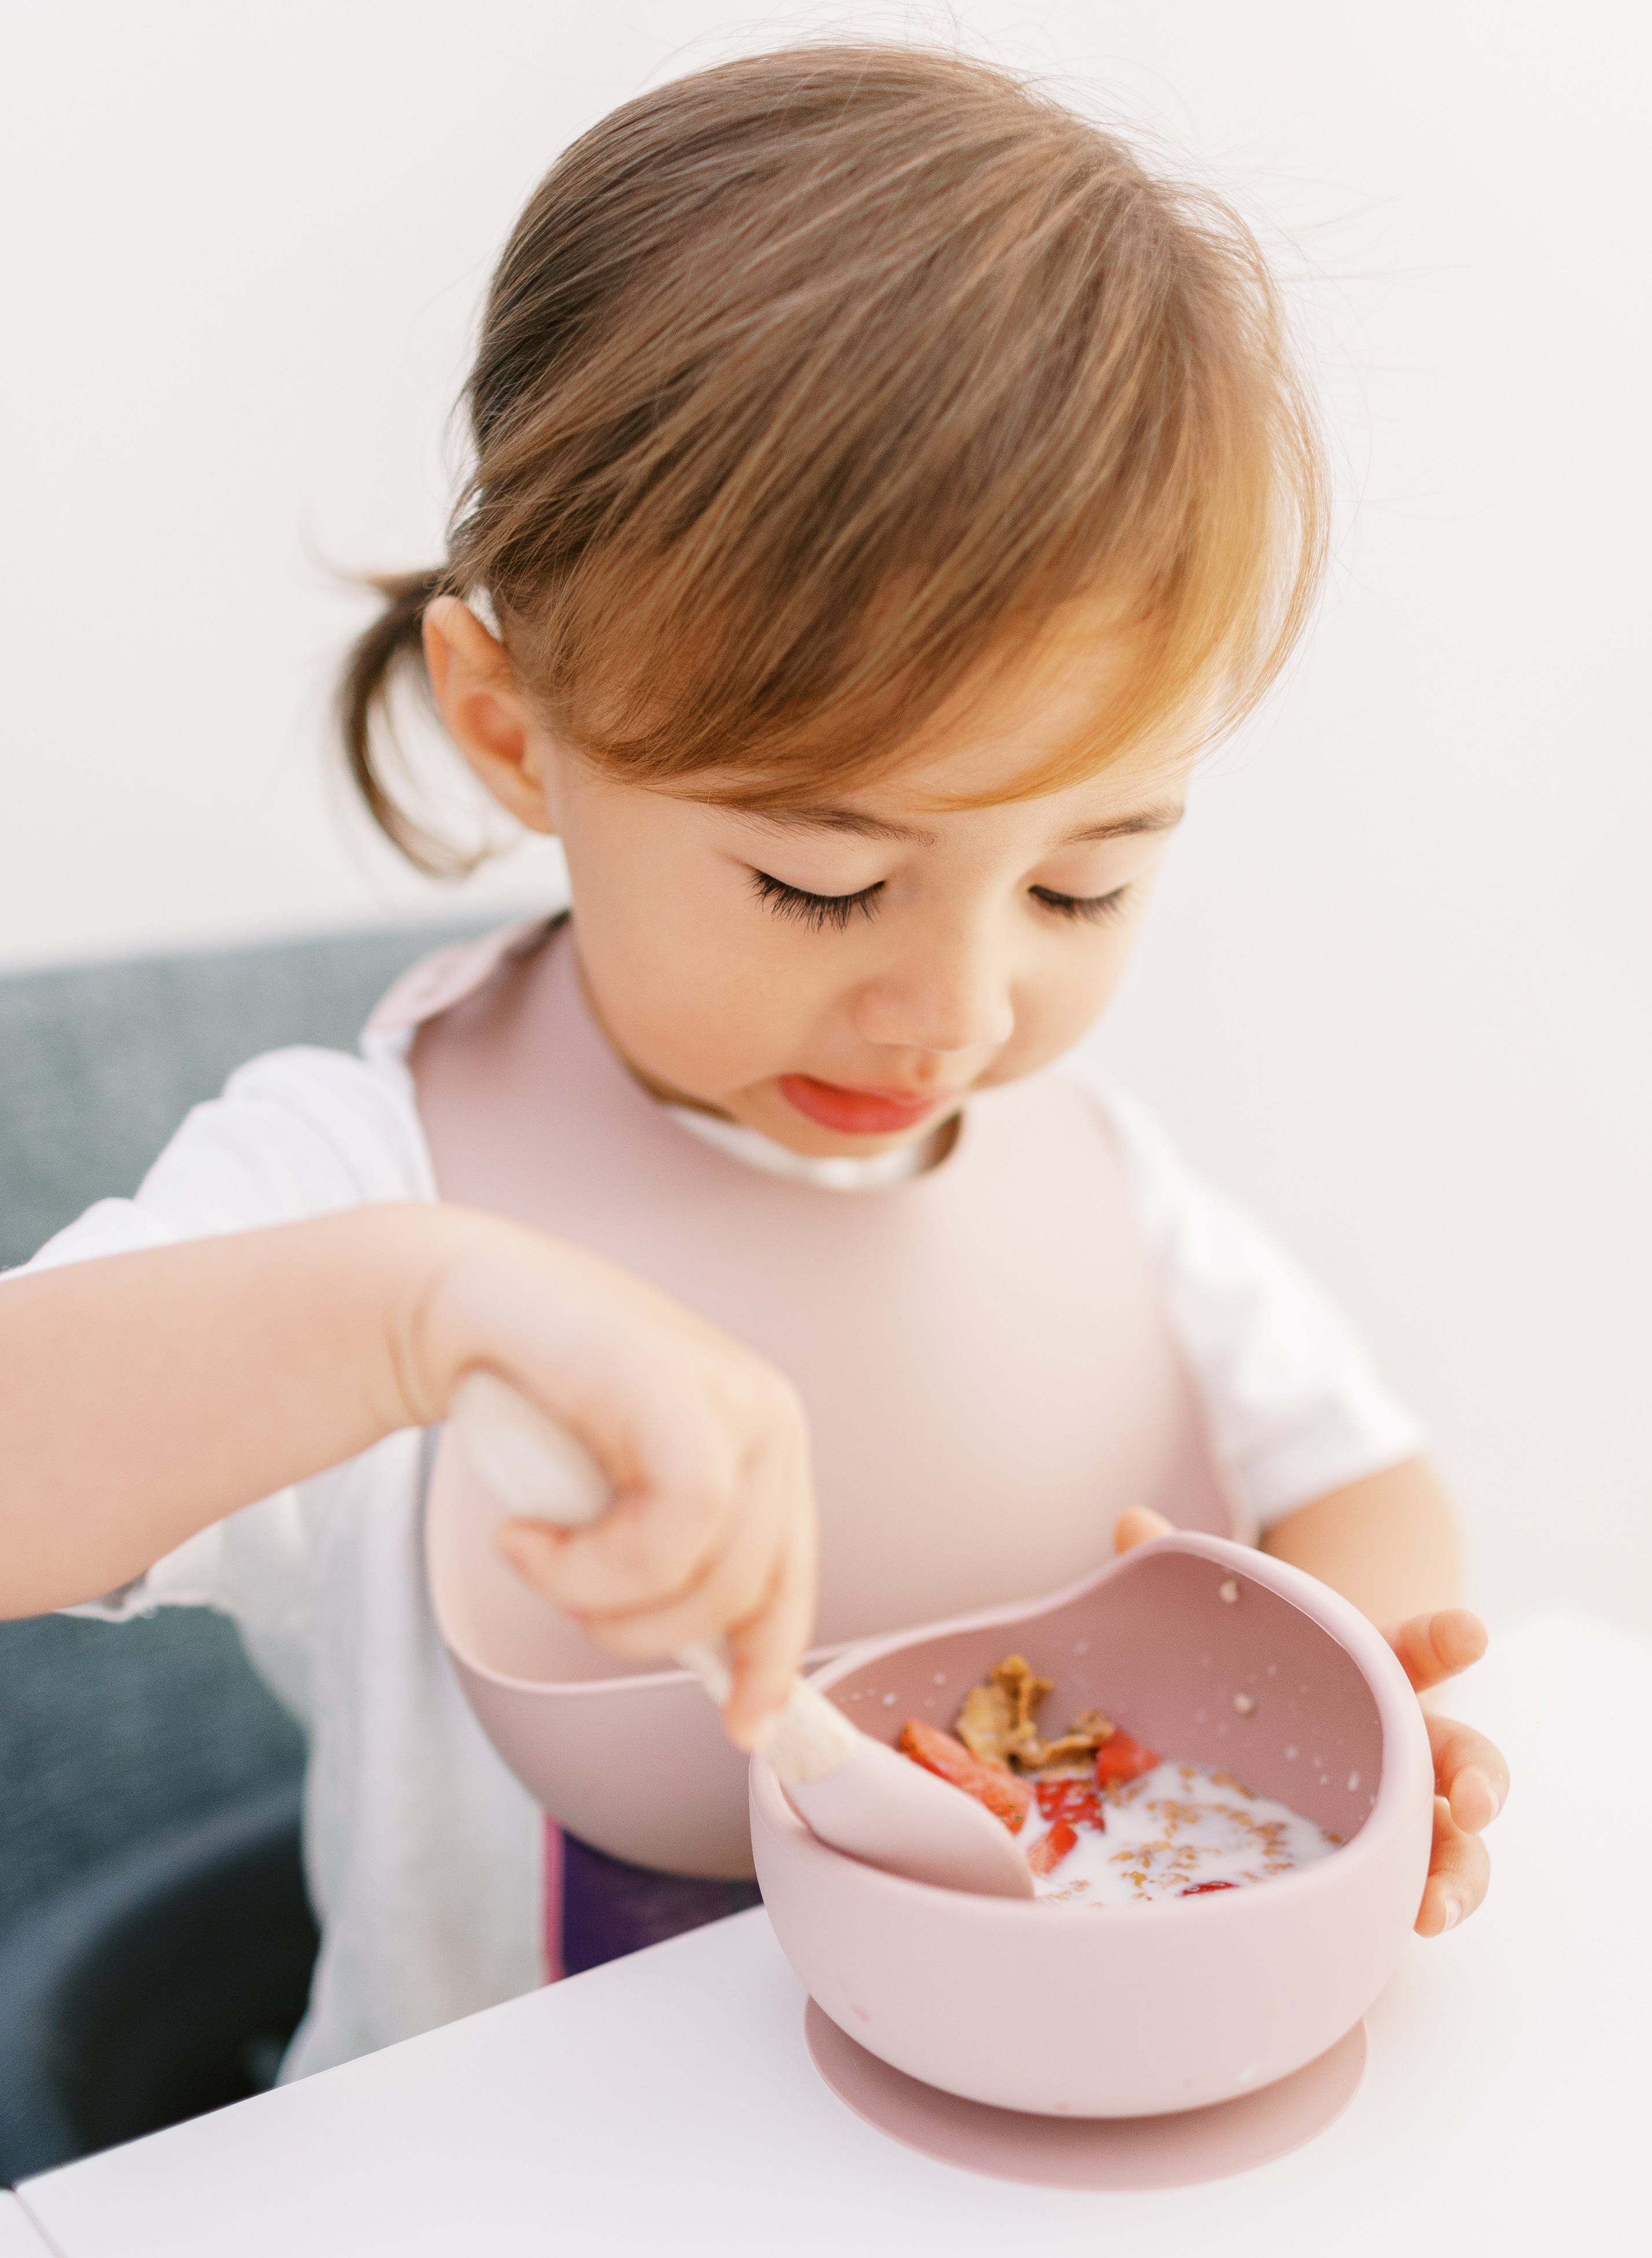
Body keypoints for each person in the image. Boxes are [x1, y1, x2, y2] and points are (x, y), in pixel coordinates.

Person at [0, 45, 1505, 2078]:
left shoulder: (1091, 1184)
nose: (958, 1013)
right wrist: (410, 1314)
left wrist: (1371, 1700)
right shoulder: (368, 1181)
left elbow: (1359, 1482)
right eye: (819, 884)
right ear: (517, 727)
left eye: (1078, 889)